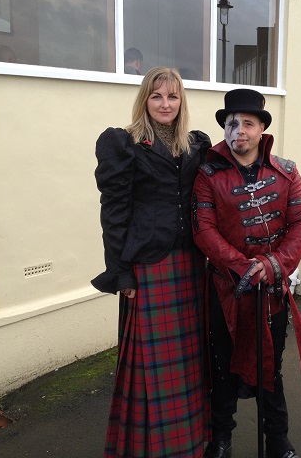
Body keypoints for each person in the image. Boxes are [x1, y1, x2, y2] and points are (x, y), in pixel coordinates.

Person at [192, 89, 301, 458]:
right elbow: (203, 230)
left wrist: (272, 266)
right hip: (227, 291)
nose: (237, 130)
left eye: (246, 123)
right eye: (231, 123)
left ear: (261, 129)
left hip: (271, 292)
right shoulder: (208, 174)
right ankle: (220, 439)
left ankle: (277, 440)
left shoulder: (287, 172)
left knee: (270, 367)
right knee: (222, 367)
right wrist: (244, 268)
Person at [91, 67, 212, 457]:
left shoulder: (194, 145)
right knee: (152, 368)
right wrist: (120, 271)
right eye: (157, 96)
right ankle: (147, 447)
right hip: (148, 267)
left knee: (187, 366)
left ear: (182, 102)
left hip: (189, 267)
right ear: (145, 99)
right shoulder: (124, 143)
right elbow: (114, 212)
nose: (165, 104)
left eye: (172, 97)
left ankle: (188, 441)